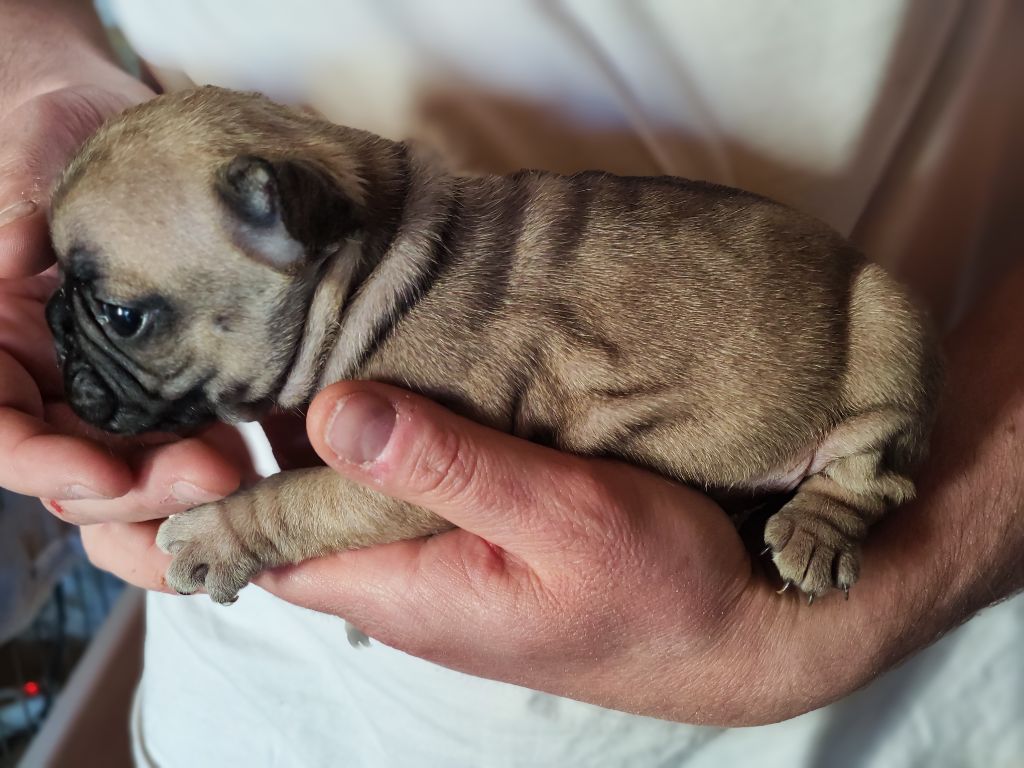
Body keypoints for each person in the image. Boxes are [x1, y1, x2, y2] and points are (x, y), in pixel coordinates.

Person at [1, 1, 1022, 765]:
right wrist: (40, 81)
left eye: (125, 316)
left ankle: (849, 489)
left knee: (881, 330)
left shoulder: (435, 328)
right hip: (263, 704)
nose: (77, 332)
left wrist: (249, 531)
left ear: (290, 233)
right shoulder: (341, 264)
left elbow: (399, 489)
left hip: (881, 689)